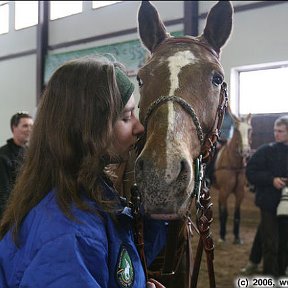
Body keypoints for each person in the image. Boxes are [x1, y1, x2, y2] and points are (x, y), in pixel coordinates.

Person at [0, 56, 167, 288]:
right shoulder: (69, 235)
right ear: (88, 128)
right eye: (126, 117)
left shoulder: (88, 195)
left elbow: (116, 260)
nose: (139, 127)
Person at [245, 115, 288, 277]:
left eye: (281, 131)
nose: (276, 134)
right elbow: (251, 172)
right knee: (271, 245)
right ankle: (269, 277)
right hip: (269, 204)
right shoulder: (265, 151)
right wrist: (272, 180)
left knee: (285, 243)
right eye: (275, 131)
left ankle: (282, 275)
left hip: (287, 206)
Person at [0, 112, 33, 218]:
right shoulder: (3, 155)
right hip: (11, 215)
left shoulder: (32, 154)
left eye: (31, 126)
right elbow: (4, 194)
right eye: (25, 126)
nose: (29, 129)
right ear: (14, 128)